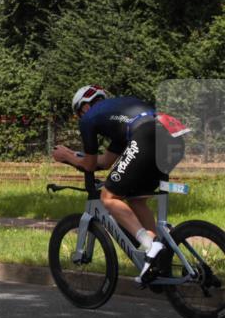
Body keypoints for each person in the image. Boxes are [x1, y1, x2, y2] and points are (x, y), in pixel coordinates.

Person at [52, 85, 188, 287]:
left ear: (84, 107)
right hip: (174, 137)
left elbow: (90, 165)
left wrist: (67, 156)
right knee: (134, 198)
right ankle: (156, 256)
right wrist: (76, 157)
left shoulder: (89, 119)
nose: (81, 117)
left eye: (79, 113)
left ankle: (150, 245)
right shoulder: (118, 113)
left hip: (147, 136)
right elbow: (105, 162)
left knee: (109, 197)